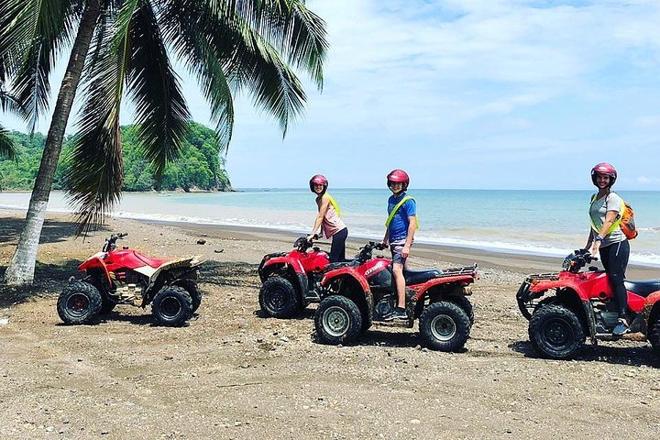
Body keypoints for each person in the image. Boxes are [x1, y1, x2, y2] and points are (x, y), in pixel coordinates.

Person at [584, 162, 630, 336]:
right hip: (604, 245)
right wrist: (587, 245)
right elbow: (594, 225)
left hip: (617, 243)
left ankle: (624, 319)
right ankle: (612, 312)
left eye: (606, 178)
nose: (602, 180)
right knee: (608, 279)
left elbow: (609, 221)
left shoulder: (613, 198)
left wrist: (598, 241)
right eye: (599, 177)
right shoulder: (594, 198)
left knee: (616, 278)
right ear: (594, 178)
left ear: (611, 180)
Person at [382, 169, 417, 320]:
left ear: (404, 184)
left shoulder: (408, 201)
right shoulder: (391, 200)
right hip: (393, 241)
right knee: (403, 272)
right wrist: (385, 239)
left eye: (399, 183)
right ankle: (408, 299)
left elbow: (412, 224)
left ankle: (401, 308)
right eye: (393, 183)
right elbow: (391, 222)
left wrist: (407, 246)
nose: (395, 186)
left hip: (402, 242)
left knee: (396, 270)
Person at [307, 174, 348, 263]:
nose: (318, 187)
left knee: (333, 260)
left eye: (320, 185)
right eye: (316, 185)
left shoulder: (325, 197)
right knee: (340, 260)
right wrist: (320, 233)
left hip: (339, 230)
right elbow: (324, 218)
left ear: (324, 186)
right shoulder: (318, 199)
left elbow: (320, 217)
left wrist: (312, 233)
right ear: (312, 186)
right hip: (339, 231)